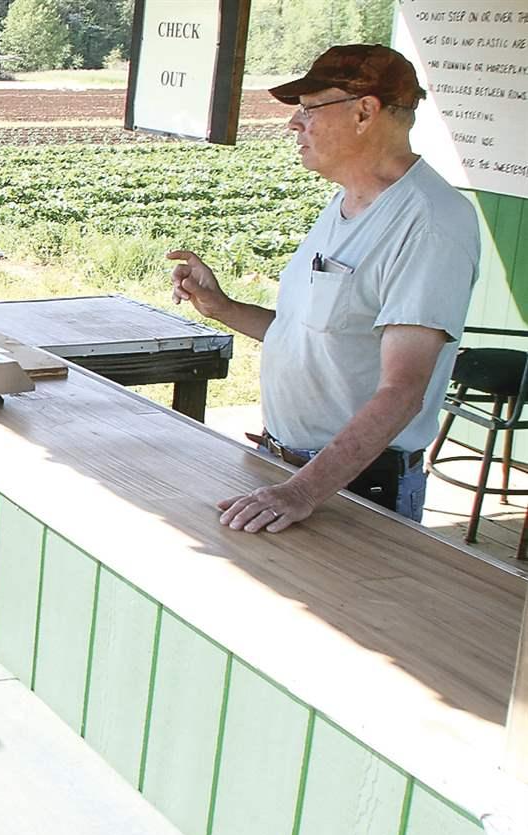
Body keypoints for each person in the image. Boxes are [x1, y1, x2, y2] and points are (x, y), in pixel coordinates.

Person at [170, 44, 480, 532]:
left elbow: (402, 391)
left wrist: (301, 492)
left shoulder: (429, 223)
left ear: (364, 112)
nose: (294, 124)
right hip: (290, 470)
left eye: (309, 109)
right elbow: (312, 334)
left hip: (353, 492)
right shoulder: (347, 203)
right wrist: (222, 307)